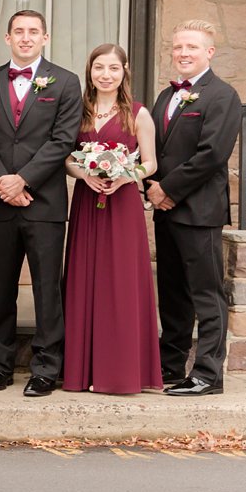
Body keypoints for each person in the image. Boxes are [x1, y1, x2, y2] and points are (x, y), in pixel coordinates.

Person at [0, 9, 82, 397]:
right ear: (7, 38)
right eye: (18, 31)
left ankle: (46, 369)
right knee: (1, 288)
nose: (25, 38)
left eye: (33, 31)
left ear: (45, 38)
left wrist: (24, 179)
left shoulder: (66, 82)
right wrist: (3, 182)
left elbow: (63, 139)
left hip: (44, 202)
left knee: (46, 289)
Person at [147, 20, 242, 397]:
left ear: (209, 52)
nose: (183, 53)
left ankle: (207, 374)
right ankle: (171, 365)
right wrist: (152, 188)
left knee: (206, 293)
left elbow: (212, 155)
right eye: (178, 47)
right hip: (165, 209)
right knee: (171, 292)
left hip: (200, 211)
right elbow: (152, 151)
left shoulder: (223, 95)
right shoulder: (163, 97)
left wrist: (167, 189)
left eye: (191, 47)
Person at [62, 44, 161, 395]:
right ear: (89, 71)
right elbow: (67, 158)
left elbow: (151, 163)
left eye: (113, 68)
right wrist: (83, 175)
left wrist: (125, 175)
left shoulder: (137, 114)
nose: (106, 74)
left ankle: (120, 371)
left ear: (125, 71)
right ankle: (82, 370)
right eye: (99, 68)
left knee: (120, 283)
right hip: (88, 203)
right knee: (85, 279)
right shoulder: (79, 112)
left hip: (122, 207)